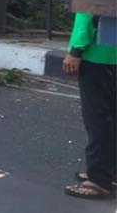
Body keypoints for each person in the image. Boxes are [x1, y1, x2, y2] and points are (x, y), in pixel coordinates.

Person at [63, 12, 117, 200]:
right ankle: (109, 170)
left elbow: (87, 13)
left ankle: (99, 179)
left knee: (98, 119)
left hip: (98, 56)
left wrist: (76, 50)